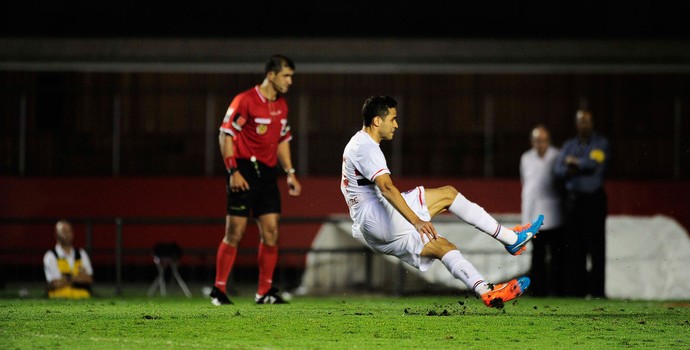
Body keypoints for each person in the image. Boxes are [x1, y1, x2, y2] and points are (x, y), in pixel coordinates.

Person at [340, 95, 544, 308]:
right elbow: (387, 188)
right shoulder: (366, 147)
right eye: (392, 119)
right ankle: (510, 238)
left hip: (372, 231)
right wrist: (416, 220)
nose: (396, 124)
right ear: (377, 121)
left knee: (442, 246)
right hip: (378, 217)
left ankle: (486, 291)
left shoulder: (356, 143)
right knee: (448, 194)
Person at [210, 54, 302, 305]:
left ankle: (263, 292)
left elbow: (282, 140)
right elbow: (225, 135)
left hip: (268, 173)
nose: (290, 81)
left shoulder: (282, 105)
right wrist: (233, 171)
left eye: (291, 76)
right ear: (271, 75)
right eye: (286, 75)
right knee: (235, 232)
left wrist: (291, 173)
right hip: (243, 170)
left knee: (271, 232)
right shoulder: (245, 101)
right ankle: (219, 290)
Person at [554, 109, 609, 298]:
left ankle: (597, 291)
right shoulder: (569, 145)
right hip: (574, 202)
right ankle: (577, 291)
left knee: (596, 247)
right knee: (575, 248)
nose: (584, 125)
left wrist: (575, 163)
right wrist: (576, 165)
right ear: (576, 125)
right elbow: (559, 169)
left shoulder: (600, 143)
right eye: (581, 122)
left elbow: (596, 163)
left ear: (592, 123)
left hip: (593, 200)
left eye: (587, 122)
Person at [520, 125, 565, 296]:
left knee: (556, 256)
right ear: (532, 142)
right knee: (537, 256)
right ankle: (538, 290)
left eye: (544, 141)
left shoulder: (556, 156)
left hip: (554, 214)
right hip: (534, 215)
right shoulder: (526, 158)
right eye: (537, 141)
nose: (541, 144)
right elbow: (527, 187)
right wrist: (526, 218)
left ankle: (558, 291)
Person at [43, 219, 93, 299]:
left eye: (69, 231)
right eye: (63, 231)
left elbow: (89, 279)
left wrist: (66, 278)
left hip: (83, 300)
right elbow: (55, 283)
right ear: (56, 234)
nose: (67, 234)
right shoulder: (50, 256)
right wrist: (77, 278)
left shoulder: (81, 253)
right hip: (59, 300)